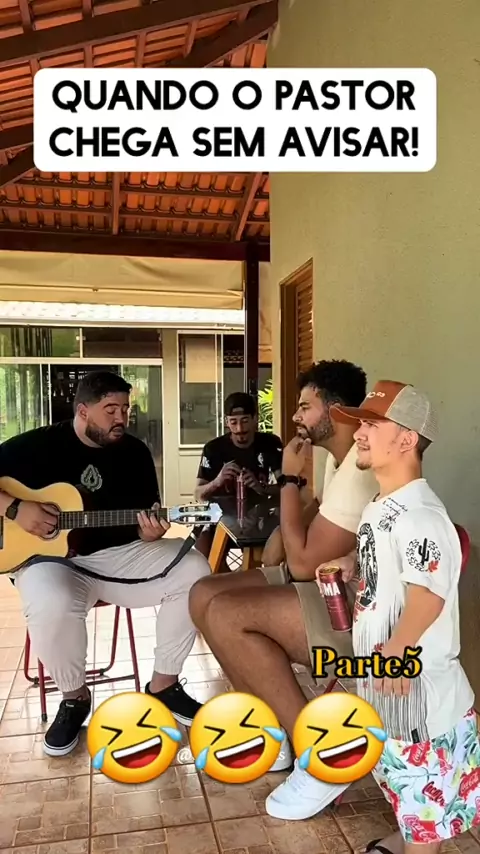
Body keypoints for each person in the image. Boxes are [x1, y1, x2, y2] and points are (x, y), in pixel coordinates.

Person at [189, 359, 379, 796]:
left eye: (305, 407)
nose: (295, 417)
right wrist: (282, 533)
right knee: (202, 594)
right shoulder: (338, 460)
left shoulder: (358, 468)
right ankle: (271, 727)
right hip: (323, 580)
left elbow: (304, 565)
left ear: (336, 411)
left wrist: (289, 478)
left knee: (227, 614)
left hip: (350, 604)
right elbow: (313, 518)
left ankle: (318, 750)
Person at [0, 370, 210, 758]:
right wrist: (15, 508)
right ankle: (74, 697)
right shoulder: (36, 445)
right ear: (82, 411)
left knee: (194, 569)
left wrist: (150, 533)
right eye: (110, 409)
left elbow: (145, 522)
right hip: (49, 560)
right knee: (49, 600)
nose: (121, 418)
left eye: (125, 409)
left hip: (119, 557)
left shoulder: (135, 453)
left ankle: (164, 685)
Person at [313, 380, 479, 854]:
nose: (359, 434)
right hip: (390, 691)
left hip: (420, 700)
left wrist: (398, 648)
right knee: (406, 789)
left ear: (407, 439)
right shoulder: (383, 504)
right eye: (360, 424)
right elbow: (397, 565)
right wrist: (353, 563)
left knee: (424, 805)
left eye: (372, 424)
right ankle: (402, 839)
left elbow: (428, 593)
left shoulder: (420, 514)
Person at [194, 391, 283, 559]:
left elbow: (285, 486)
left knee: (284, 524)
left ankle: (269, 570)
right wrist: (218, 481)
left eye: (245, 421)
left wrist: (261, 487)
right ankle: (205, 571)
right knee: (202, 532)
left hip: (260, 516)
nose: (240, 429)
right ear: (226, 422)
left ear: (255, 419)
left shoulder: (270, 443)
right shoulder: (213, 449)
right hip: (221, 517)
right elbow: (198, 494)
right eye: (234, 422)